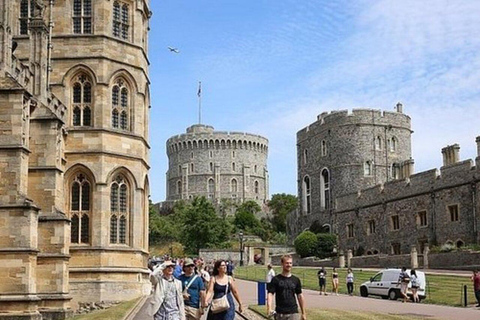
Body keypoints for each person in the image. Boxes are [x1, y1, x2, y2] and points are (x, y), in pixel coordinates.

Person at [267, 255, 306, 320]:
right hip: (280, 313)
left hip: (293, 313)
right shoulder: (276, 279)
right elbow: (270, 294)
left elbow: (300, 295)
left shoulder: (296, 280)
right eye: (287, 263)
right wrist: (269, 307)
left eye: (290, 263)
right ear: (282, 263)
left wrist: (303, 313)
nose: (289, 265)